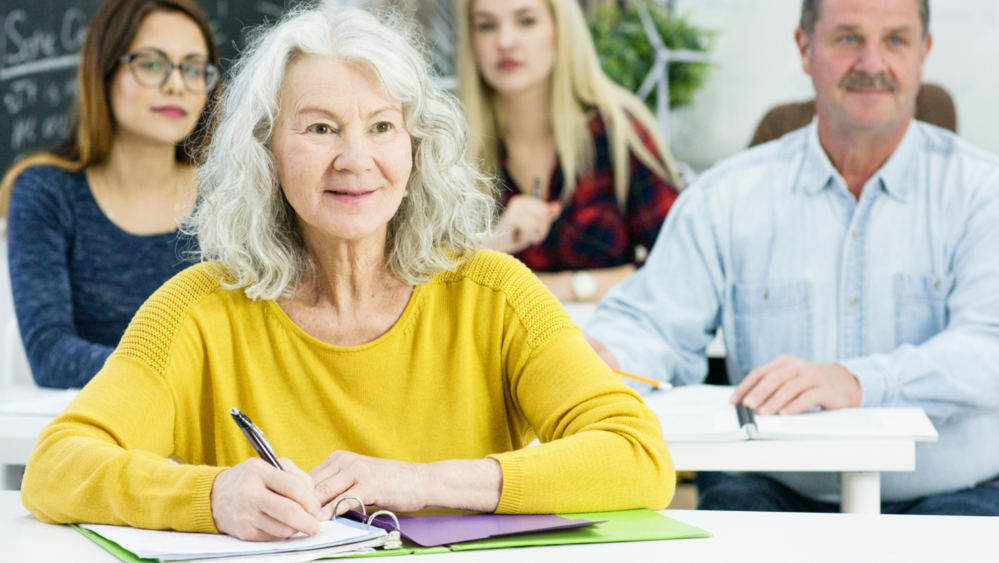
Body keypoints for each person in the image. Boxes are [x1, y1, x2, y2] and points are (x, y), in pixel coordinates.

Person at [20, 6, 674, 539]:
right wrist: (212, 494)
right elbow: (54, 466)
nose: (355, 159)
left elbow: (637, 456)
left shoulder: (496, 293)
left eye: (383, 126)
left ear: (416, 148)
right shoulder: (194, 308)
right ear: (266, 153)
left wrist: (419, 483)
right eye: (321, 128)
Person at [585, 0, 999, 515]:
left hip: (955, 492)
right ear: (805, 49)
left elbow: (989, 348)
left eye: (895, 40)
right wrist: (614, 359)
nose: (872, 63)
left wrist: (854, 381)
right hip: (773, 488)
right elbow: (653, 324)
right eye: (848, 38)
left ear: (924, 53)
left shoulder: (984, 194)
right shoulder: (727, 197)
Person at [0, 0, 219, 388]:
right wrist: (174, 376)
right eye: (152, 64)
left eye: (193, 68)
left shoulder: (229, 193)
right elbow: (49, 355)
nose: (176, 84)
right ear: (103, 72)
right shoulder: (47, 192)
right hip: (99, 427)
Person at [457, 0, 681, 302]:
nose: (505, 41)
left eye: (526, 21)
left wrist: (572, 287)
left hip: (602, 343)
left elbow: (680, 263)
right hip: (497, 347)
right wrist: (490, 243)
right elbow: (419, 283)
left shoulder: (616, 129)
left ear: (561, 30)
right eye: (486, 25)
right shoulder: (449, 145)